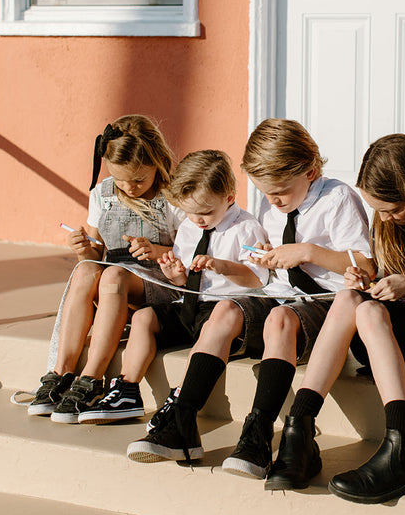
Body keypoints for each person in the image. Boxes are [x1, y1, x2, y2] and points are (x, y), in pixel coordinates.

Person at [126, 118, 371, 471]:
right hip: (276, 293)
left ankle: (257, 433)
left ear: (311, 171)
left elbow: (365, 262)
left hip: (321, 304)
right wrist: (262, 257)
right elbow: (263, 271)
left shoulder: (337, 198)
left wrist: (307, 252)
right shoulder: (270, 207)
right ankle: (182, 421)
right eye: (264, 192)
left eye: (281, 191)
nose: (272, 200)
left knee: (280, 318)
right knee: (225, 309)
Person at [266, 133, 405, 503]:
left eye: (393, 209)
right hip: (398, 329)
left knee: (368, 310)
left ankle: (403, 446)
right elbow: (385, 278)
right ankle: (300, 431)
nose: (385, 217)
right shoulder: (388, 218)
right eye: (379, 210)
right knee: (350, 297)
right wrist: (366, 279)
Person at [79, 149, 269, 424]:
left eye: (205, 212)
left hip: (222, 312)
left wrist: (222, 266)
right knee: (144, 316)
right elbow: (182, 281)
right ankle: (127, 389)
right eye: (191, 213)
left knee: (213, 323)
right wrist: (174, 274)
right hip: (190, 305)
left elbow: (257, 278)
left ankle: (181, 393)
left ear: (229, 197)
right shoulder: (192, 227)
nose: (198, 220)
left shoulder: (246, 227)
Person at [27, 115, 185, 423]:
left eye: (139, 180)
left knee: (112, 276)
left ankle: (91, 377)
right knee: (86, 270)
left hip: (160, 278)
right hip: (115, 280)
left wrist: (158, 250)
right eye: (121, 178)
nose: (129, 186)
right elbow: (98, 249)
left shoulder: (173, 196)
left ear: (158, 162)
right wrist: (85, 250)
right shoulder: (104, 193)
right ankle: (60, 373)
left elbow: (191, 254)